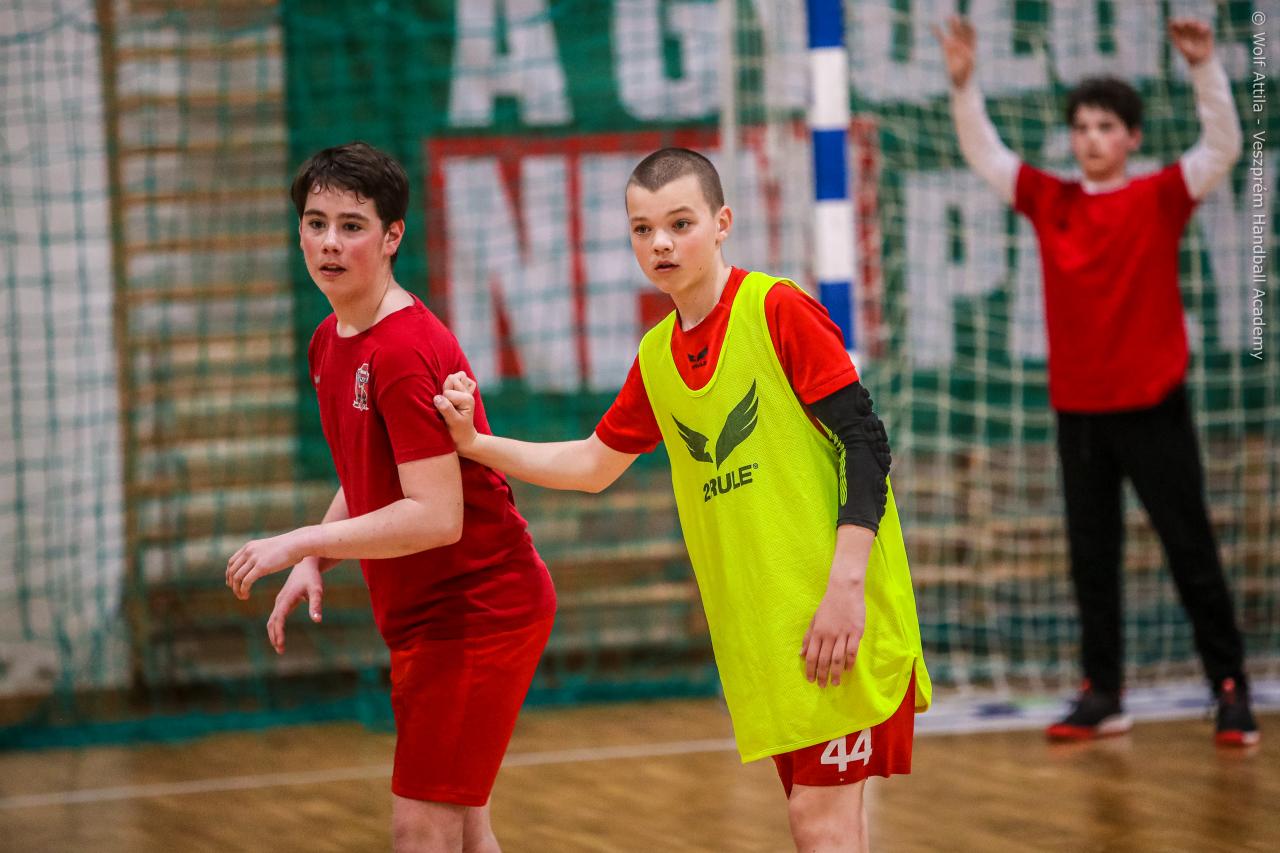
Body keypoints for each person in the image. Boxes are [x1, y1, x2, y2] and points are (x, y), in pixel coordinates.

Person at [433, 147, 931, 853]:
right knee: (827, 827)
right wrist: (477, 444)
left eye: (679, 223)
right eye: (643, 229)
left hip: (838, 614)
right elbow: (593, 465)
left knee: (819, 825)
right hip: (768, 637)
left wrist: (846, 589)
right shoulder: (658, 356)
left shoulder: (777, 309)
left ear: (722, 223)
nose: (660, 243)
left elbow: (866, 445)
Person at [225, 142, 557, 852]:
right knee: (464, 828)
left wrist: (301, 540)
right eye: (316, 223)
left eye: (352, 226)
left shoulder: (403, 351)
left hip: (476, 612)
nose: (330, 243)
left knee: (421, 829)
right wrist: (316, 557)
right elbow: (371, 471)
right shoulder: (329, 340)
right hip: (425, 617)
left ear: (392, 236)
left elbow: (436, 516)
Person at [935, 16, 1258, 745]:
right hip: (1079, 412)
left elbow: (1223, 146)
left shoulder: (1159, 197)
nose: (1091, 137)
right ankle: (1103, 692)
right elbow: (985, 153)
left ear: (1132, 137)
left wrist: (1204, 68)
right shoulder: (1052, 200)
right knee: (1092, 558)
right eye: (1081, 126)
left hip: (1154, 404)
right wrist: (964, 85)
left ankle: (1230, 687)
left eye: (1106, 126)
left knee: (1190, 550)